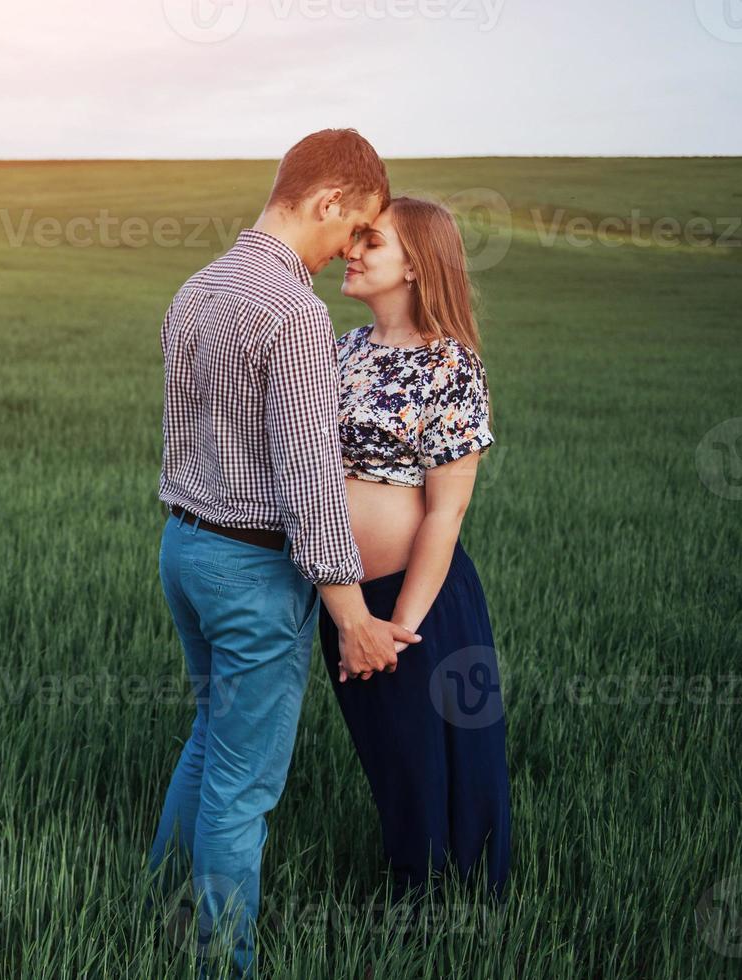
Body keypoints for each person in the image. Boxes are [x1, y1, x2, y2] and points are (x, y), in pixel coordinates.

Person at [147, 129, 420, 978]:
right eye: (355, 226)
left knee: (210, 743)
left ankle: (157, 915)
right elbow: (308, 481)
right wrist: (353, 620)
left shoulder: (198, 287)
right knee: (242, 788)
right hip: (252, 573)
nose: (350, 246)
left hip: (183, 551)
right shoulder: (295, 313)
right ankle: (221, 964)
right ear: (329, 201)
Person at [320, 196, 511, 898]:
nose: (352, 249)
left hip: (417, 605)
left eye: (372, 241)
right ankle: (413, 899)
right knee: (393, 760)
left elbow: (445, 509)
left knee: (446, 762)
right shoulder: (339, 350)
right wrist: (348, 615)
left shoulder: (449, 365)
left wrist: (398, 627)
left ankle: (459, 914)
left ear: (415, 265)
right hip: (344, 600)